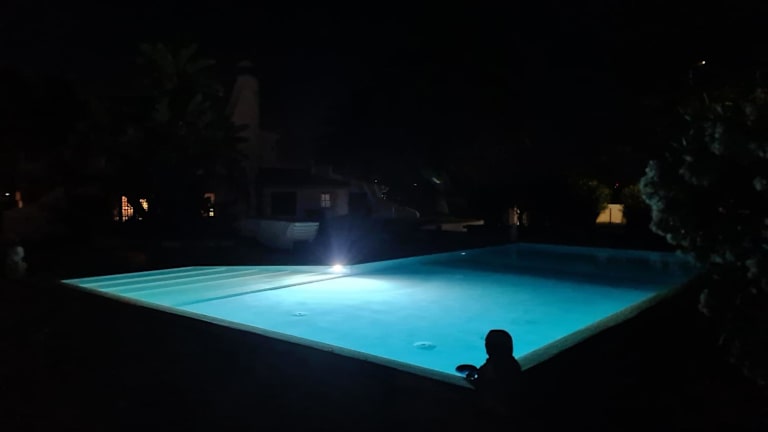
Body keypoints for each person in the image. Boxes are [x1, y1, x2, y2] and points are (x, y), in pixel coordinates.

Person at [458, 329, 523, 421]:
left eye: (487, 344)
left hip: (496, 414)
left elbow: (484, 387)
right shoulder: (513, 364)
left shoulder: (490, 368)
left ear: (489, 348)